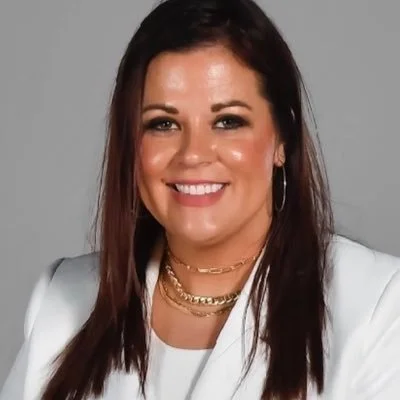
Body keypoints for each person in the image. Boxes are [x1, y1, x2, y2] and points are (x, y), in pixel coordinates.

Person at [2, 0, 400, 399]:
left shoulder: (378, 306)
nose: (193, 154)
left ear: (283, 137)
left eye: (228, 121)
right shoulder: (61, 303)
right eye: (163, 124)